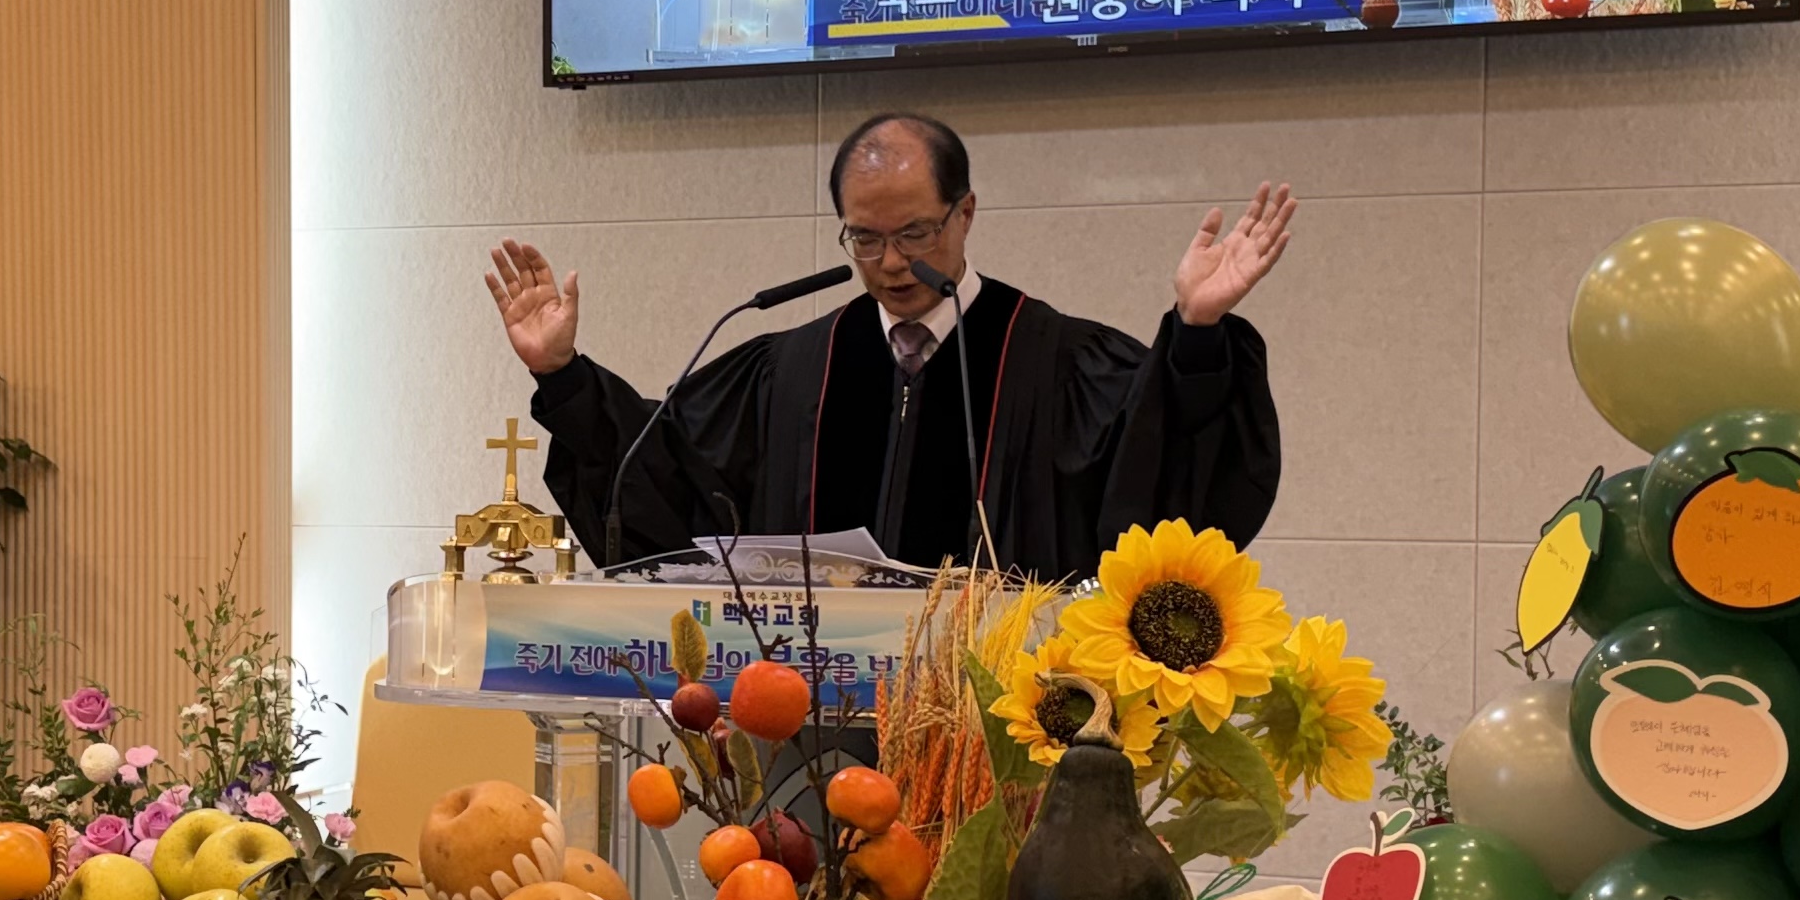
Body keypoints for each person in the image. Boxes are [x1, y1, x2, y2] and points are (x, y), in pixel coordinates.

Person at [488, 113, 1289, 579]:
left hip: (1004, 728)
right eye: (865, 239)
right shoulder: (789, 372)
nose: (894, 262)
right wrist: (562, 375)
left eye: (916, 233)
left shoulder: (1054, 362)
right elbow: (661, 476)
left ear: (965, 213)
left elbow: (1161, 475)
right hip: (814, 723)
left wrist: (1196, 333)